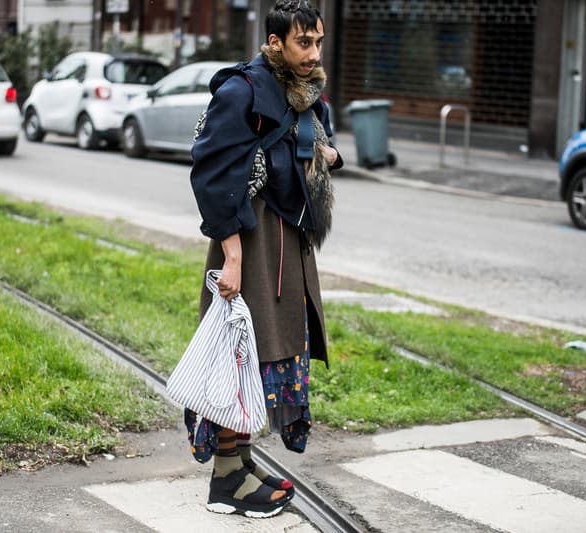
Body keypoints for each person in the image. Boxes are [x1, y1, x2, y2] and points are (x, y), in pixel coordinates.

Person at [187, 0, 343, 518]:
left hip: (286, 241)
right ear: (274, 42)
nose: (313, 52)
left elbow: (314, 134)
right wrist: (231, 257)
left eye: (318, 41)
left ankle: (240, 460)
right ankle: (226, 481)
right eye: (304, 42)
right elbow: (211, 174)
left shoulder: (301, 89)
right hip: (251, 245)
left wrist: (326, 152)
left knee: (269, 355)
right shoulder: (242, 90)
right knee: (242, 357)